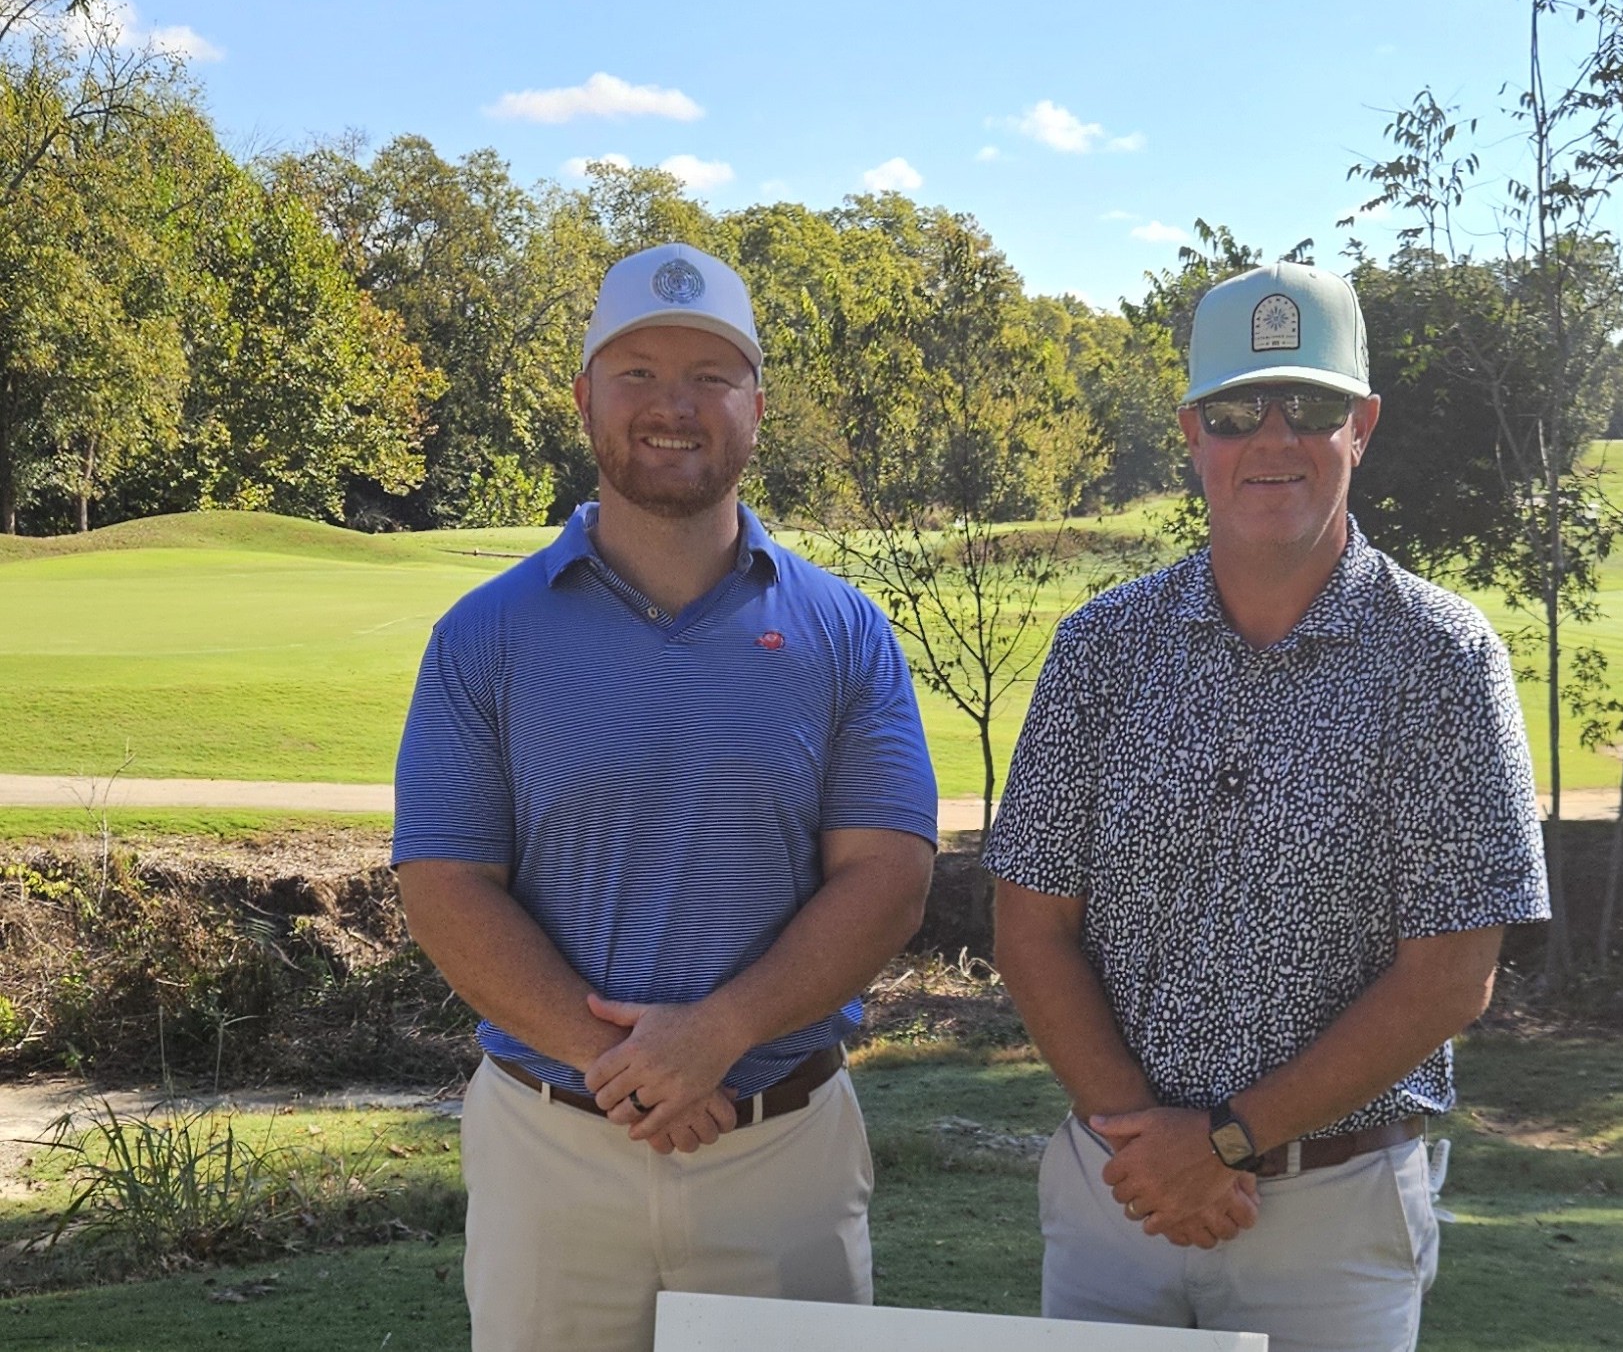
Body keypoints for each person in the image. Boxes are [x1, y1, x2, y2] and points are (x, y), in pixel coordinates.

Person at [984, 261, 1549, 1352]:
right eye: (1239, 409)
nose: (1274, 438)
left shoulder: (1444, 659)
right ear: (1193, 430)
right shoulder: (1100, 647)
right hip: (1122, 1189)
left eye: (1314, 406)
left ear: (1364, 424)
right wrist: (1158, 1150)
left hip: (1333, 1217)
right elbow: (1029, 925)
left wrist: (1230, 1138)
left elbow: (1450, 975)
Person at [394, 243, 938, 1352]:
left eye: (710, 374)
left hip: (780, 1144)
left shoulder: (845, 631)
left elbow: (888, 877)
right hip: (552, 1152)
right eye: (637, 371)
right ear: (586, 394)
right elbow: (447, 884)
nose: (673, 406)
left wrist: (720, 1033)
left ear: (756, 404)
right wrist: (638, 1069)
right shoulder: (483, 636)